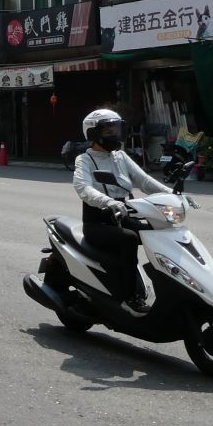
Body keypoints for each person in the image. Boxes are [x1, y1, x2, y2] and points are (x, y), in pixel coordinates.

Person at [72, 108, 170, 314]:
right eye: (108, 131)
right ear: (93, 133)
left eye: (115, 129)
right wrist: (108, 201)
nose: (114, 134)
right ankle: (129, 298)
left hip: (122, 214)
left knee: (158, 232)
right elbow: (84, 188)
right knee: (128, 239)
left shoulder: (120, 156)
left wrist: (173, 193)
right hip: (98, 222)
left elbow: (144, 181)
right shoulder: (85, 160)